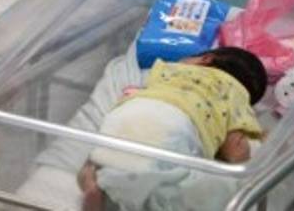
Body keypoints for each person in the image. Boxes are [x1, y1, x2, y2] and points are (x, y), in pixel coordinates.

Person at [79, 47, 267, 210]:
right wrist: (250, 149)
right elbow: (235, 152)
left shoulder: (172, 70)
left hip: (130, 111)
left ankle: (94, 178)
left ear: (206, 59)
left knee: (109, 156)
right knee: (204, 187)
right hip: (174, 126)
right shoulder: (236, 94)